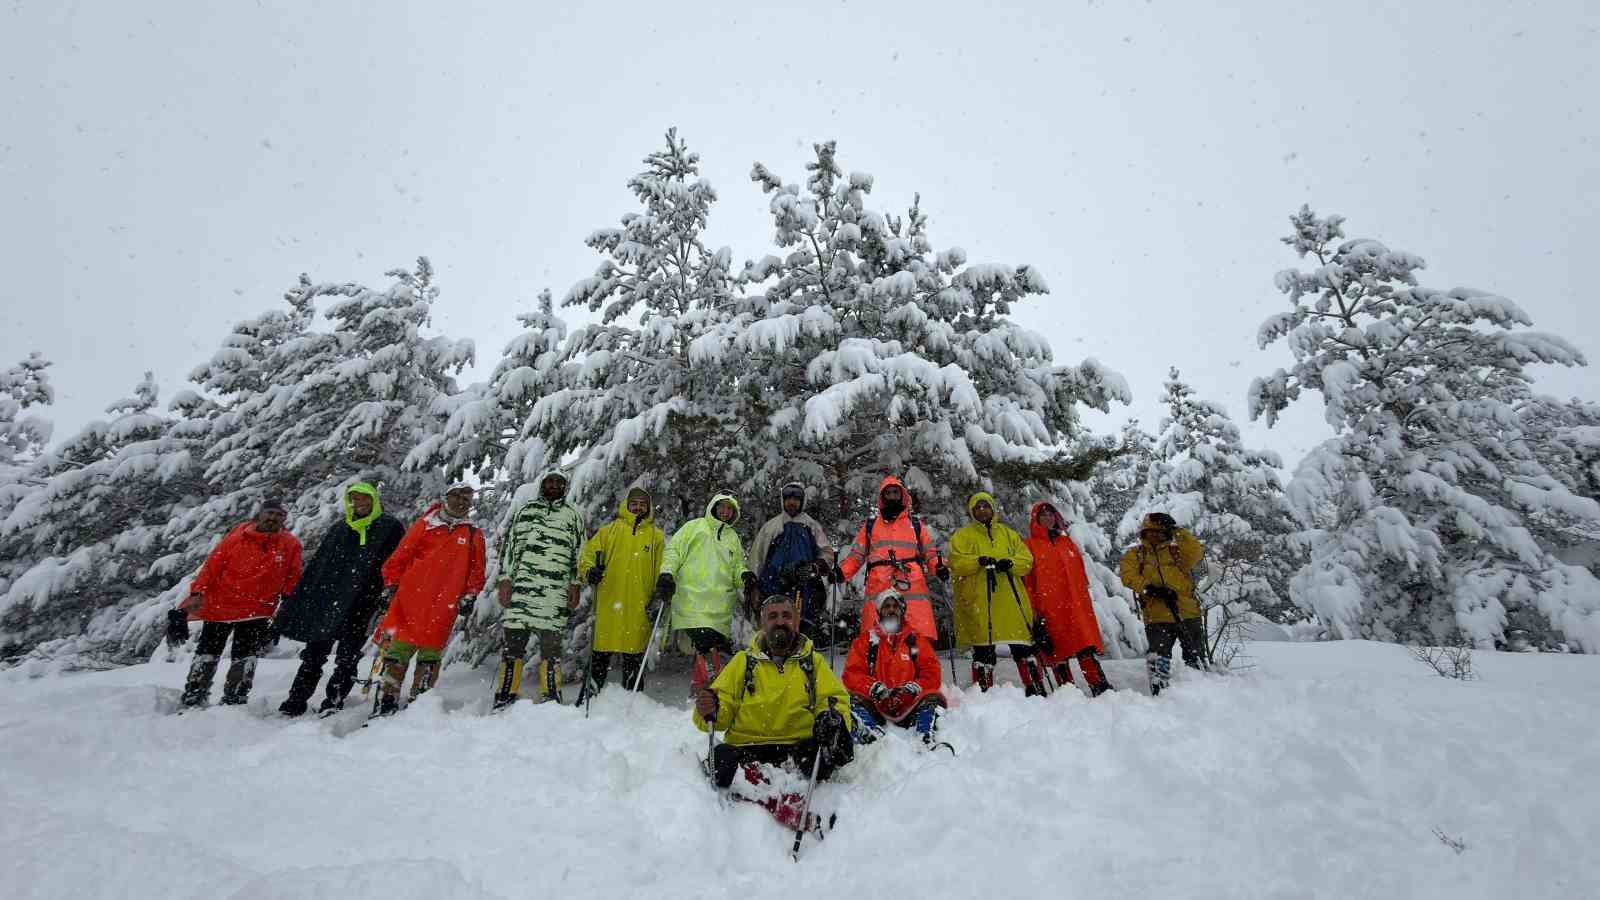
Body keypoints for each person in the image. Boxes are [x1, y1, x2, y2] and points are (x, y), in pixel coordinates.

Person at [693, 593, 854, 789]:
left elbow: (834, 701)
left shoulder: (813, 662)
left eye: (786, 616)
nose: (780, 621)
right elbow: (721, 707)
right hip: (747, 748)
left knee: (820, 759)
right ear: (763, 624)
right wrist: (711, 707)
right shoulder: (743, 662)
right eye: (773, 616)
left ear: (796, 622)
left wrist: (828, 720)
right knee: (721, 761)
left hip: (797, 749)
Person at [274, 482, 406, 716]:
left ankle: (333, 701)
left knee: (347, 658)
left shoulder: (389, 527)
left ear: (374, 500)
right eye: (355, 498)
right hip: (329, 602)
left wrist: (387, 594)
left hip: (363, 603)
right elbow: (320, 566)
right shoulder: (340, 528)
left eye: (365, 498)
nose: (360, 503)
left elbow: (397, 563)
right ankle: (295, 701)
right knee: (313, 656)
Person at [372, 482, 487, 715]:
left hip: (445, 604)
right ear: (446, 498)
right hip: (411, 599)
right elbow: (400, 557)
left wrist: (471, 595)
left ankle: (419, 704)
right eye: (456, 496)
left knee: (430, 655)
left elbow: (477, 570)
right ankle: (386, 700)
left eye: (466, 499)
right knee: (398, 651)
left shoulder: (473, 533)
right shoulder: (425, 525)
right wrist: (390, 585)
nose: (461, 502)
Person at [178, 497, 303, 708]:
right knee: (208, 651)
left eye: (278, 515)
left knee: (245, 656)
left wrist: (289, 600)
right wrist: (198, 592)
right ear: (260, 514)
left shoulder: (290, 544)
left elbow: (293, 574)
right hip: (222, 604)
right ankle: (195, 693)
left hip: (258, 609)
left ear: (284, 519)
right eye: (269, 513)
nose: (273, 518)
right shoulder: (236, 537)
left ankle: (235, 697)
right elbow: (212, 566)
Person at [493, 470, 586, 707]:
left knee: (552, 648)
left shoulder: (573, 515)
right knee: (513, 646)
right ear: (542, 484)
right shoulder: (526, 512)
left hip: (555, 593)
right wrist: (505, 579)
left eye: (559, 482)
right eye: (550, 481)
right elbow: (511, 549)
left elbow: (580, 552)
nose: (554, 485)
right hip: (522, 590)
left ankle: (552, 696)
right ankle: (505, 694)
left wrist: (575, 584)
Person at [948, 491, 1047, 695]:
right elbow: (956, 562)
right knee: (983, 648)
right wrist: (978, 561)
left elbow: (1026, 561)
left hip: (1010, 598)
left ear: (992, 509)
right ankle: (983, 690)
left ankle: (1035, 686)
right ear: (972, 511)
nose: (982, 510)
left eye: (986, 506)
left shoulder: (1008, 534)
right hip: (979, 600)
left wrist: (1010, 563)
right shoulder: (963, 536)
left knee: (1022, 646)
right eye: (978, 507)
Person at [575, 486, 664, 697]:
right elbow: (586, 556)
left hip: (638, 603)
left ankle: (632, 699)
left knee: (633, 653)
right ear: (627, 505)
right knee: (600, 651)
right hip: (608, 601)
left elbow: (664, 566)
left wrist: (664, 583)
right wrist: (590, 572)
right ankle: (589, 696)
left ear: (648, 508)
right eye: (634, 503)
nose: (638, 507)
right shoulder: (608, 531)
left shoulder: (656, 537)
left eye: (643, 504)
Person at [659, 492, 756, 684]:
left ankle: (702, 689)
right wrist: (667, 573)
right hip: (692, 598)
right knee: (705, 643)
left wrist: (744, 576)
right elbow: (674, 551)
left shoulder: (732, 537)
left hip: (720, 605)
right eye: (722, 507)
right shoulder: (694, 527)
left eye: (730, 509)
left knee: (710, 647)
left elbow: (735, 567)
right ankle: (710, 686)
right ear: (714, 506)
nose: (725, 512)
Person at [838, 475, 949, 642]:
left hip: (911, 585)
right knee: (878, 639)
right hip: (879, 584)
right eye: (888, 493)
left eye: (895, 493)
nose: (891, 496)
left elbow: (930, 553)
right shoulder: (871, 526)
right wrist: (841, 573)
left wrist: (938, 567)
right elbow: (856, 556)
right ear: (883, 497)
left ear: (901, 495)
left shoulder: (916, 525)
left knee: (915, 639)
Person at [1023, 501, 1114, 696]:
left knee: (1085, 647)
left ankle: (1099, 686)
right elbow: (1028, 581)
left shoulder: (1067, 543)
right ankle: (1068, 692)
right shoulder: (1030, 545)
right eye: (1043, 515)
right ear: (1036, 519)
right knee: (1057, 650)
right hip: (1050, 606)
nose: (1048, 518)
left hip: (1076, 605)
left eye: (1051, 514)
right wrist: (1033, 609)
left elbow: (1079, 574)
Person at [840, 592, 946, 747]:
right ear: (879, 611)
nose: (891, 610)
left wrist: (913, 689)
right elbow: (851, 674)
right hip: (876, 704)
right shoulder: (865, 642)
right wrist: (873, 688)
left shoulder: (915, 640)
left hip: (910, 704)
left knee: (932, 699)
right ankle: (873, 737)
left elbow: (932, 672)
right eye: (887, 606)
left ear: (902, 610)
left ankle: (924, 739)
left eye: (895, 606)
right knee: (850, 701)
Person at [1119, 512, 1206, 695]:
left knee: (1195, 655)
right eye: (1150, 532)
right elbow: (1128, 576)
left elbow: (1196, 551)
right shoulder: (1136, 555)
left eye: (1160, 532)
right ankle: (1160, 691)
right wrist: (1149, 589)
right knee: (1159, 657)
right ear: (1144, 533)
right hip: (1156, 614)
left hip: (1187, 611)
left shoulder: (1177, 553)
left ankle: (1200, 691)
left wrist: (1177, 530)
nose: (1155, 535)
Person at [748, 481, 837, 641]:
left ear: (802, 501)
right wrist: (754, 586)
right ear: (783, 500)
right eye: (788, 497)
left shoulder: (812, 526)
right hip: (773, 588)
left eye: (796, 498)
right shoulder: (771, 527)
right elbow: (757, 557)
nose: (792, 502)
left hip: (805, 590)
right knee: (773, 634)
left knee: (801, 637)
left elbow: (827, 553)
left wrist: (815, 567)